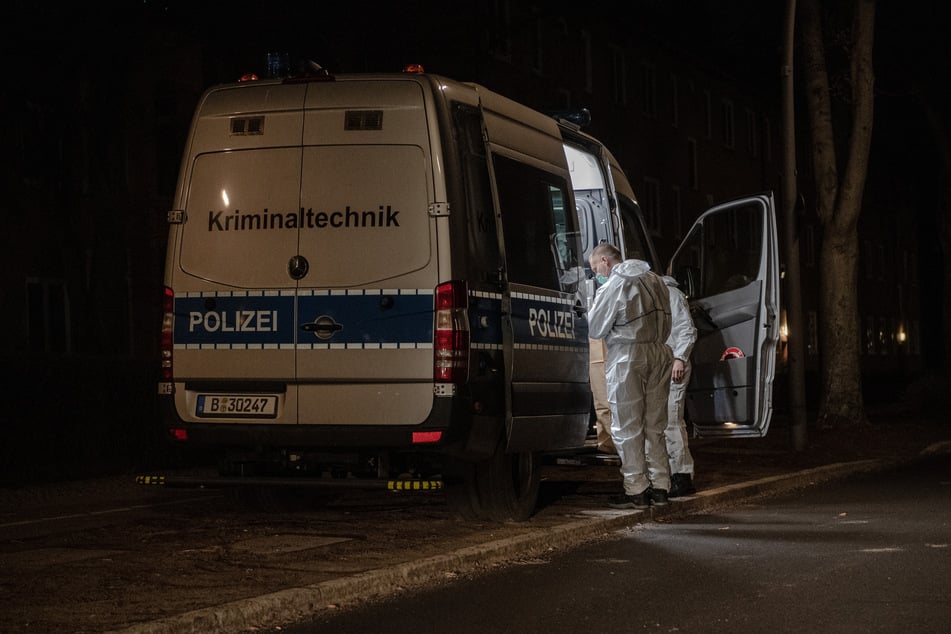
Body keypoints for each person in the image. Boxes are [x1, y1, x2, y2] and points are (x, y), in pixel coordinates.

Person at [587, 244, 673, 509]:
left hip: (628, 356)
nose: (597, 275)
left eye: (595, 270)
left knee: (627, 426)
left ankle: (636, 490)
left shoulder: (615, 284)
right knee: (655, 425)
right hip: (660, 352)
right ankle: (660, 487)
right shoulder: (656, 280)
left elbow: (596, 326)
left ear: (604, 261)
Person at [662, 275, 698, 497]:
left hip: (674, 363)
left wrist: (680, 358)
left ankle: (682, 475)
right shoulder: (660, 294)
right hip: (665, 363)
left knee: (671, 420)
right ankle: (675, 474)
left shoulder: (670, 295)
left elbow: (686, 329)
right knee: (669, 421)